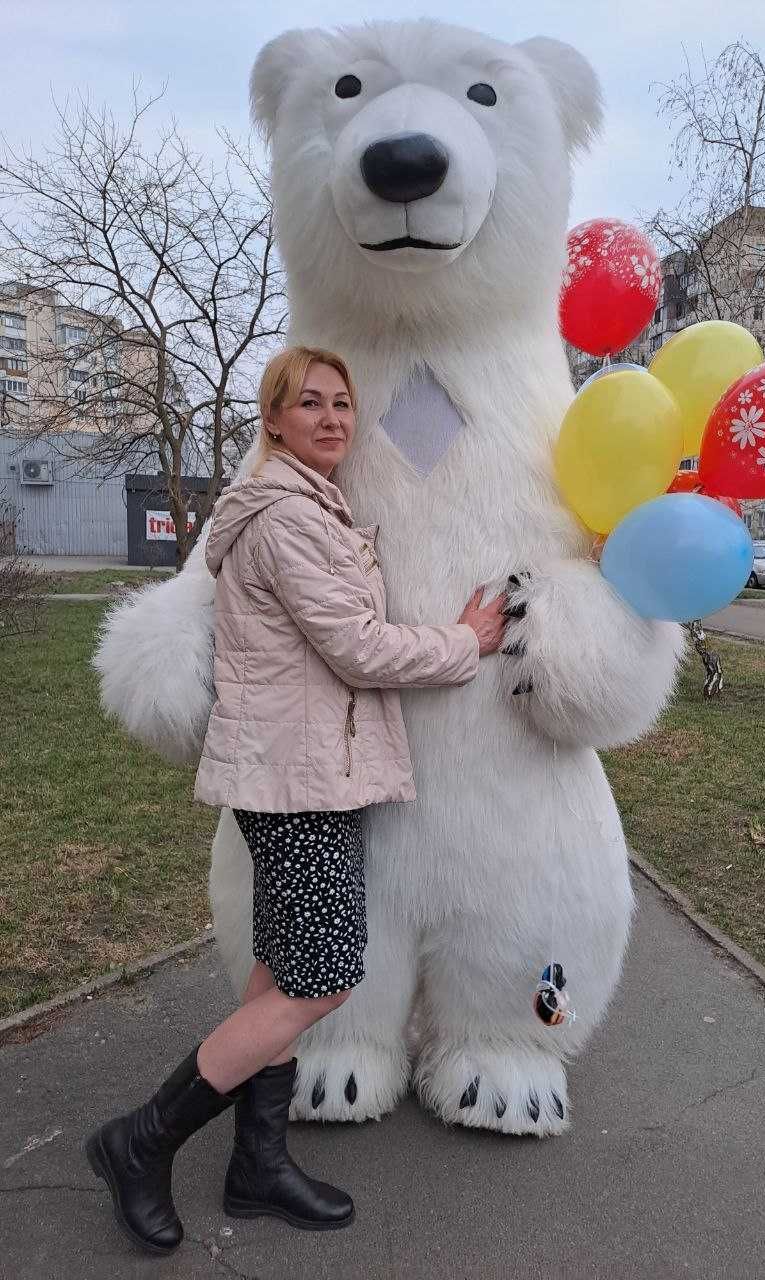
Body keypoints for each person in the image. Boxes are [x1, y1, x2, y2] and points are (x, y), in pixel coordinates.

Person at [85, 346, 508, 1256]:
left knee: (280, 973)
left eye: (341, 405)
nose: (330, 418)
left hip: (309, 773)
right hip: (300, 784)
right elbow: (360, 648)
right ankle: (141, 1138)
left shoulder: (312, 506)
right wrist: (465, 640)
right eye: (307, 403)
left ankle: (259, 1165)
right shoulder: (285, 517)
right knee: (321, 980)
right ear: (272, 422)